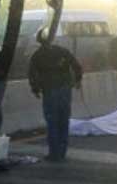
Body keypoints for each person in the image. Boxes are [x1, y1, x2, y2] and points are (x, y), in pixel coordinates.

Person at [28, 28, 83, 162]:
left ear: (39, 40)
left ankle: (54, 154)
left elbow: (32, 75)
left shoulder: (37, 55)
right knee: (64, 120)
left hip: (49, 91)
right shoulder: (62, 51)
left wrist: (35, 90)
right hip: (65, 90)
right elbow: (77, 66)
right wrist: (77, 80)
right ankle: (62, 152)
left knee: (52, 122)